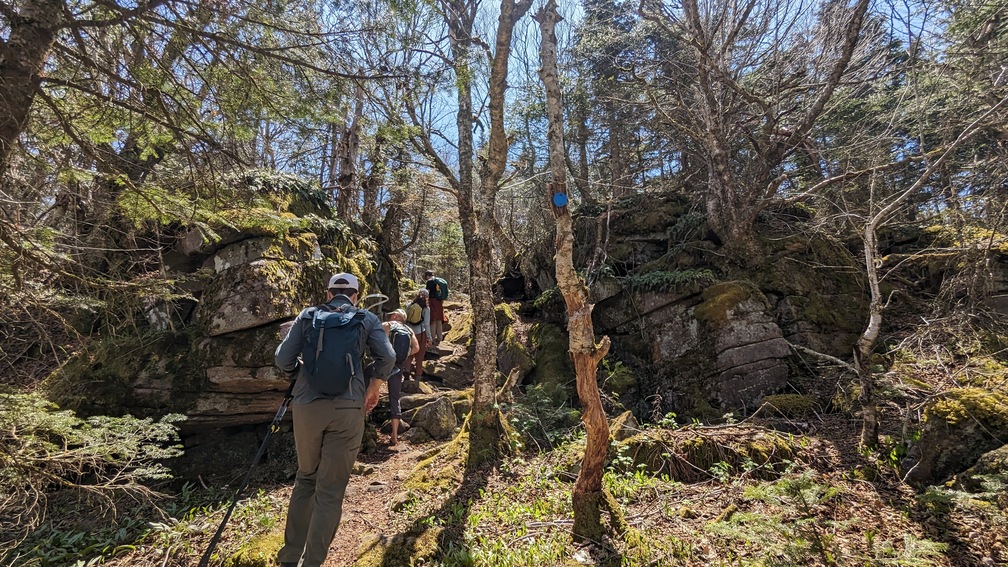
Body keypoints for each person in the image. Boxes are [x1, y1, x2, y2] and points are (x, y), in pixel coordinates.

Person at [273, 272, 396, 567]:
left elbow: (281, 359)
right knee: (330, 490)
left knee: (306, 479)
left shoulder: (308, 315)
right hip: (348, 408)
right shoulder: (365, 318)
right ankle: (312, 562)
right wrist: (374, 387)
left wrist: (300, 375)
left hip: (306, 406)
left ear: (329, 293)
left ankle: (289, 558)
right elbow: (388, 357)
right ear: (355, 295)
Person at [383, 309, 419, 446]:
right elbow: (416, 348)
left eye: (393, 314)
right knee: (395, 398)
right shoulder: (409, 330)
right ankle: (394, 435)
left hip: (383, 362)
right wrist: (403, 355)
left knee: (366, 386)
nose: (391, 316)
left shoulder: (387, 324)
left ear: (396, 316)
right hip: (398, 365)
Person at [404, 288, 430, 379]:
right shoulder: (426, 308)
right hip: (420, 333)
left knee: (409, 352)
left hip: (408, 332)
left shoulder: (409, 305)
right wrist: (429, 338)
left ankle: (406, 370)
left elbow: (405, 319)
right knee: (420, 355)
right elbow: (426, 324)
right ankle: (418, 376)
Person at [424, 270, 446, 346]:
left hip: (432, 302)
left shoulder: (429, 282)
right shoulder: (438, 281)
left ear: (427, 275)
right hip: (439, 302)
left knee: (432, 320)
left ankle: (432, 338)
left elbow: (427, 293)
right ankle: (440, 338)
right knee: (439, 320)